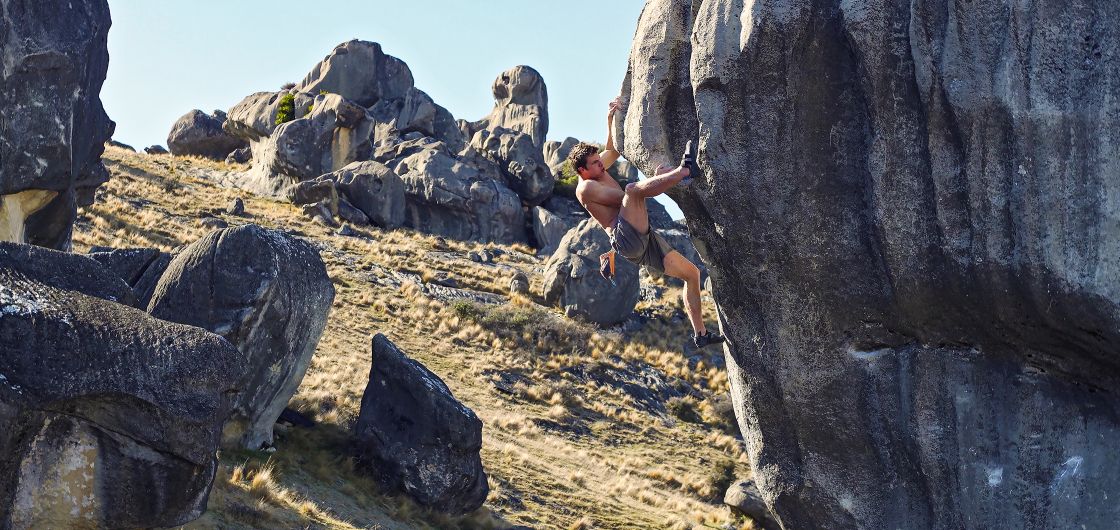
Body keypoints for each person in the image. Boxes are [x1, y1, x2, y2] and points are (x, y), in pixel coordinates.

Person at [567, 98, 726, 348]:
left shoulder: (596, 171)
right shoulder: (587, 188)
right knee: (632, 189)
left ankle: (701, 334)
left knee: (692, 274)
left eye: (599, 161)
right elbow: (626, 198)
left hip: (641, 239)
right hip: (625, 237)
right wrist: (659, 178)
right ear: (582, 171)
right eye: (595, 163)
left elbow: (613, 151)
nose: (602, 164)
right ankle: (685, 171)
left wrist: (610, 121)